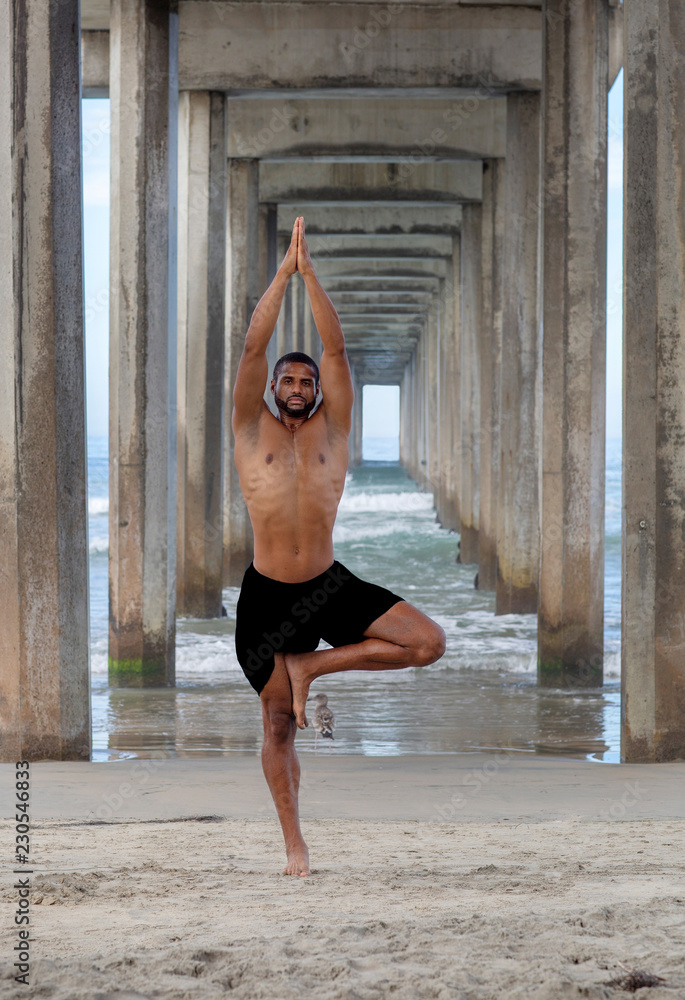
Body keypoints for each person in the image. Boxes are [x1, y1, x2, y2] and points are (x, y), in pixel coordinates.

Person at [232, 217, 446, 877]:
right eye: (286, 381)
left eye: (305, 382)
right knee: (277, 729)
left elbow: (335, 352)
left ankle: (312, 671)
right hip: (268, 594)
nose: (297, 387)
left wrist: (311, 275)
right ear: (272, 389)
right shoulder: (248, 429)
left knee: (425, 642)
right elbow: (250, 348)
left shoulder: (334, 428)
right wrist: (280, 277)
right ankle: (294, 845)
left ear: (316, 391)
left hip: (328, 585)